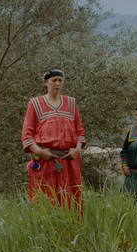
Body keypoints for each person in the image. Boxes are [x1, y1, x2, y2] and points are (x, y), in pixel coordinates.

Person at [21, 66, 86, 214]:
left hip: (69, 160)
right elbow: (27, 134)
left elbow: (80, 130)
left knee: (71, 198)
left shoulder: (71, 103)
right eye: (53, 80)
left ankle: (71, 230)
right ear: (45, 82)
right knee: (43, 198)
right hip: (44, 160)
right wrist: (40, 152)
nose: (57, 84)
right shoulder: (35, 104)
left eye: (60, 80)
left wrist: (77, 149)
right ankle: (44, 232)